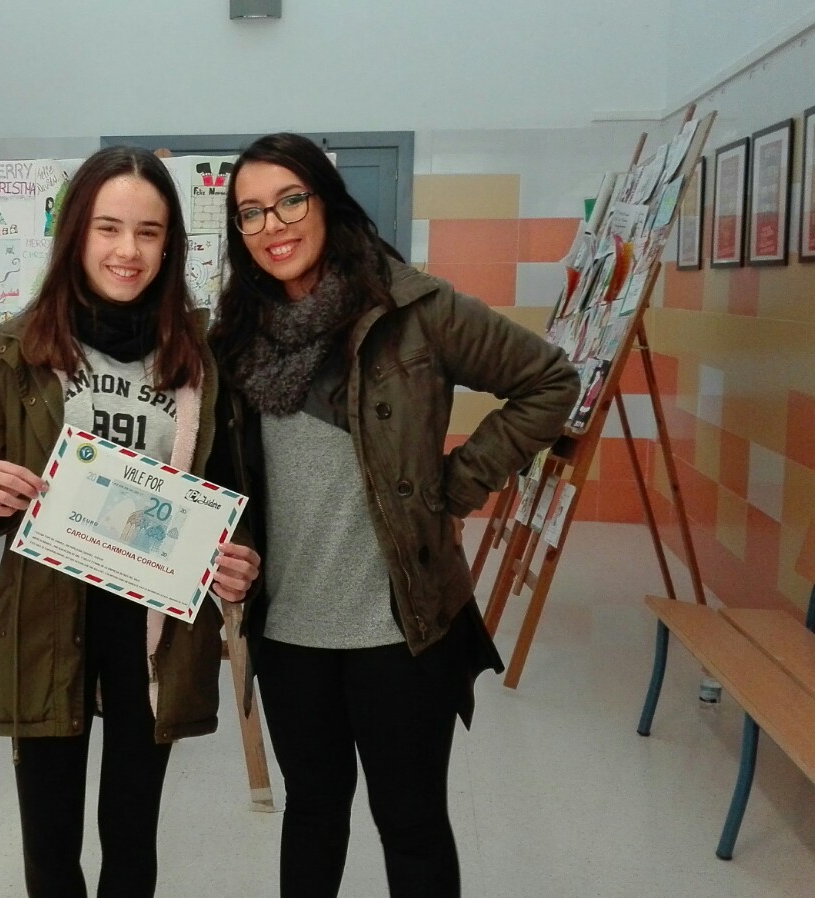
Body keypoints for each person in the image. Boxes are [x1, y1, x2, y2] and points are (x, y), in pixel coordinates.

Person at [206, 132, 579, 897]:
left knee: (410, 822)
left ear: (326, 202)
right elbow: (226, 474)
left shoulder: (414, 310)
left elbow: (550, 381)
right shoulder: (234, 339)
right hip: (288, 632)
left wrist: (453, 488)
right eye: (251, 212)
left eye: (289, 201)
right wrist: (225, 546)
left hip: (402, 628)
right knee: (313, 813)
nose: (273, 225)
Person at [0, 146, 260, 898]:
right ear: (76, 233)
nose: (128, 251)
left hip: (152, 624)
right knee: (50, 842)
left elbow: (226, 492)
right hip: (46, 614)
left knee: (131, 833)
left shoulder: (199, 359)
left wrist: (237, 555)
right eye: (108, 228)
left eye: (149, 232)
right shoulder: (15, 348)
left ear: (170, 243)